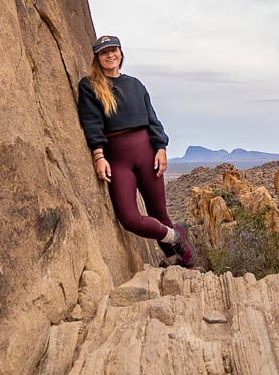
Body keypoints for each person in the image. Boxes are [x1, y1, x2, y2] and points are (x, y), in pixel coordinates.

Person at [77, 34, 194, 267]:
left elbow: (152, 119)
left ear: (121, 53)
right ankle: (175, 236)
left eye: (114, 50)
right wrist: (99, 156)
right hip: (118, 157)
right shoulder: (89, 86)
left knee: (159, 212)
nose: (110, 55)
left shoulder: (135, 84)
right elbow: (91, 123)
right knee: (129, 218)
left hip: (146, 152)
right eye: (104, 52)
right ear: (97, 58)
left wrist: (161, 148)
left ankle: (176, 260)